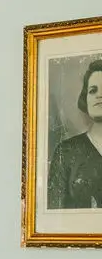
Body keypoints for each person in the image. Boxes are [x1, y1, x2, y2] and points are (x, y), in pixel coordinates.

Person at [47, 59, 102, 208]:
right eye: (93, 90)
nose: (99, 95)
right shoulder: (65, 152)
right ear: (86, 99)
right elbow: (54, 213)